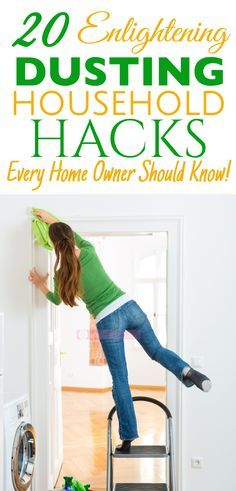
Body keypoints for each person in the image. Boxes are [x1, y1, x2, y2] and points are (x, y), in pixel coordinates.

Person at [29, 209, 212, 452]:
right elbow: (67, 229)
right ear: (69, 237)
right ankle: (187, 371)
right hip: (129, 306)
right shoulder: (89, 251)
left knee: (121, 379)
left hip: (107, 320)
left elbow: (55, 300)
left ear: (53, 244)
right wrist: (50, 218)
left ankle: (128, 437)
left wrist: (41, 284)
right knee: (156, 350)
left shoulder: (62, 275)